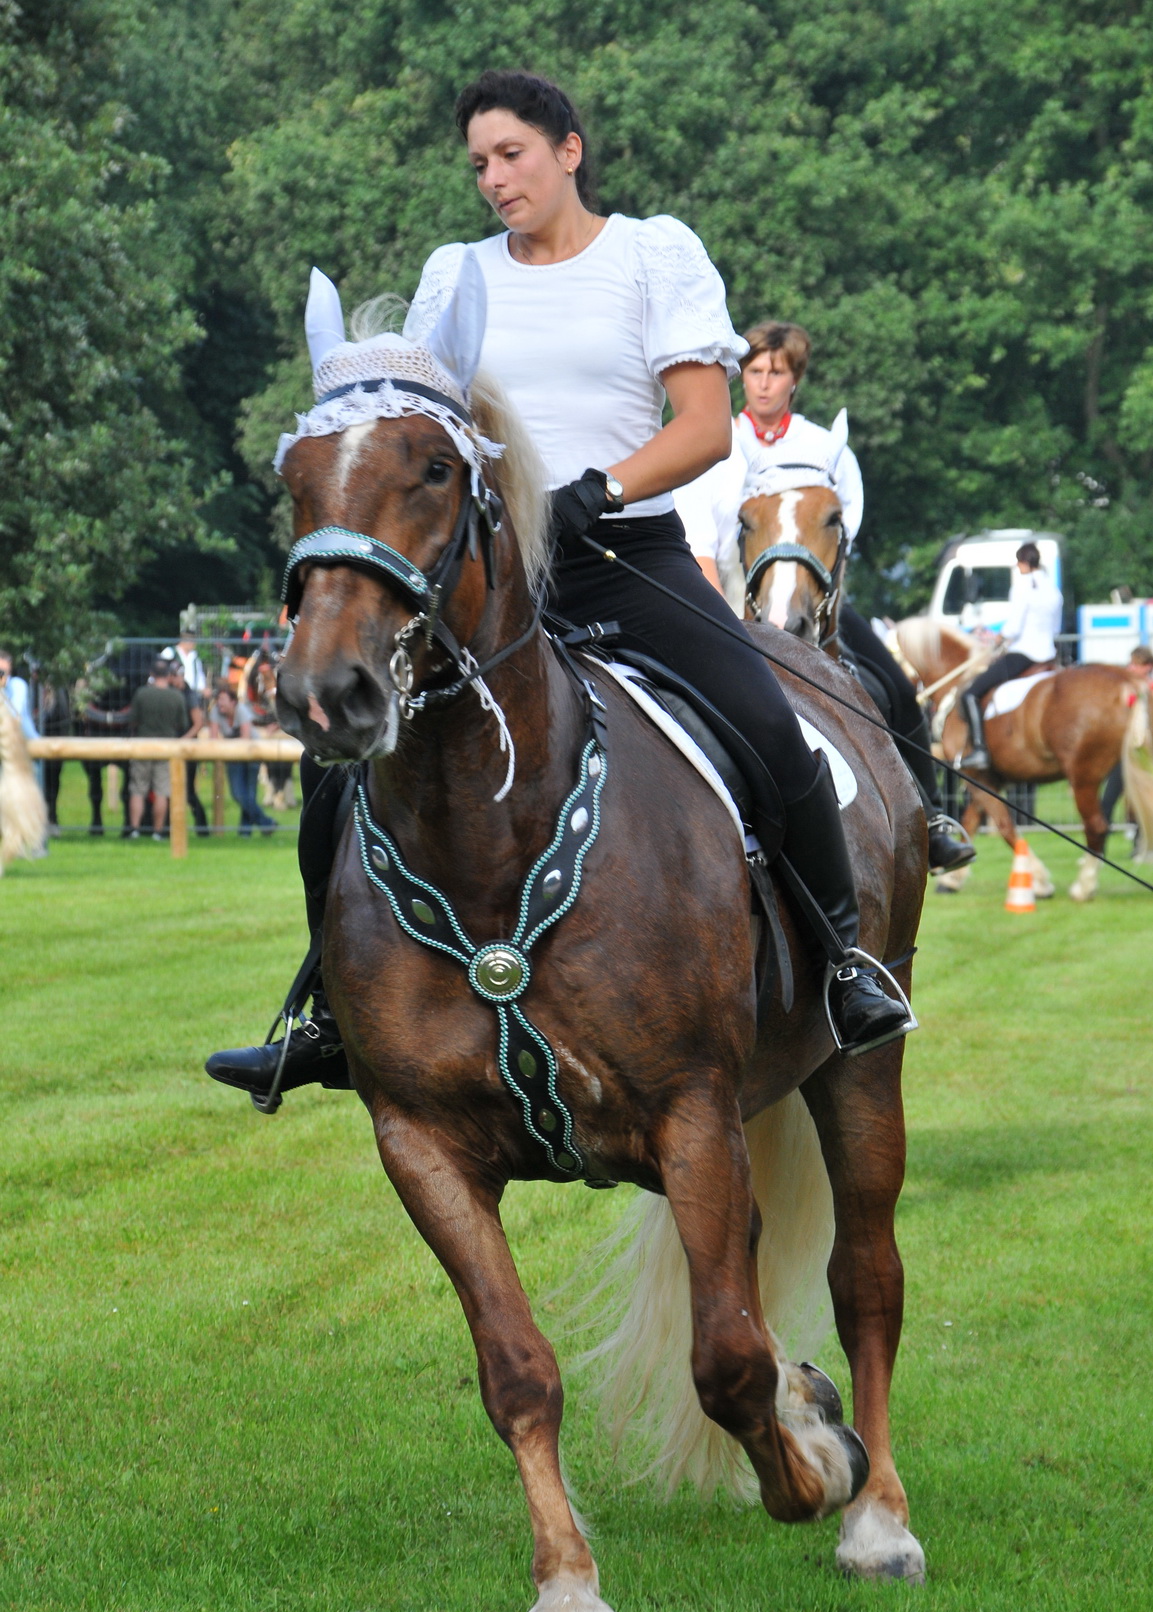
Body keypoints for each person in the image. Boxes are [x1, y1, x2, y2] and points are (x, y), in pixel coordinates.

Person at [206, 68, 911, 1104]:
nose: (495, 179)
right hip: (485, 583)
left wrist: (596, 489)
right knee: (339, 765)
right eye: (480, 163)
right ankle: (328, 1017)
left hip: (624, 561)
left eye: (512, 155)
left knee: (770, 728)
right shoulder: (454, 274)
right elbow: (422, 427)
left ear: (567, 150)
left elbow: (704, 428)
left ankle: (845, 967)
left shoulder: (650, 254)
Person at [674, 321, 975, 875]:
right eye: (755, 372)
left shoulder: (824, 446)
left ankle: (930, 821)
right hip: (727, 598)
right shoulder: (712, 440)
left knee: (894, 687)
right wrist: (726, 620)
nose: (762, 383)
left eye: (776, 372)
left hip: (813, 601)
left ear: (795, 380)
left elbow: (844, 537)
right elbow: (699, 544)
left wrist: (813, 603)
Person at [959, 543, 1062, 769]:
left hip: (1023, 654)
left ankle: (979, 750)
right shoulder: (1054, 590)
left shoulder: (1022, 587)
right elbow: (1055, 628)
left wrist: (997, 639)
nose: (1018, 567)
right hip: (1048, 656)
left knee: (970, 694)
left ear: (1023, 563)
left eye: (1018, 562)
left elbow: (1014, 628)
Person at [127, 659, 187, 839]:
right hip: (166, 748)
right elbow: (182, 723)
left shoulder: (141, 693)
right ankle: (158, 831)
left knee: (138, 789)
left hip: (142, 746)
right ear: (169, 675)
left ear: (151, 674)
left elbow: (133, 720)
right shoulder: (177, 696)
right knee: (162, 791)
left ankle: (135, 830)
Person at [208, 684, 277, 836]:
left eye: (223, 699)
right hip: (233, 755)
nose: (220, 703)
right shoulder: (215, 712)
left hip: (252, 753)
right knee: (238, 794)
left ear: (233, 702)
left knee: (249, 794)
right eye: (218, 700)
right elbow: (212, 739)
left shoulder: (242, 710)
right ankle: (267, 823)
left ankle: (245, 832)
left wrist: (225, 744)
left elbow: (246, 738)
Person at [1102, 644, 1153, 833]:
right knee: (1108, 798)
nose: (1130, 668)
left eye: (1135, 665)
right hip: (1124, 752)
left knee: (1143, 801)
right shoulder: (1125, 688)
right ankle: (1099, 844)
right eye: (1130, 664)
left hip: (1144, 753)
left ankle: (1141, 842)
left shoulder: (1148, 690)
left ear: (1147, 667)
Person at [167, 662, 210, 836]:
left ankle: (202, 828)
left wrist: (183, 741)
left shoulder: (188, 694)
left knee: (189, 792)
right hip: (178, 745)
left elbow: (198, 723)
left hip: (186, 747)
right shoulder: (174, 692)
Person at [0, 649, 40, 740]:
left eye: (3, 672)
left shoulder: (17, 685)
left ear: (9, 669)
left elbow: (13, 714)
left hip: (30, 747)